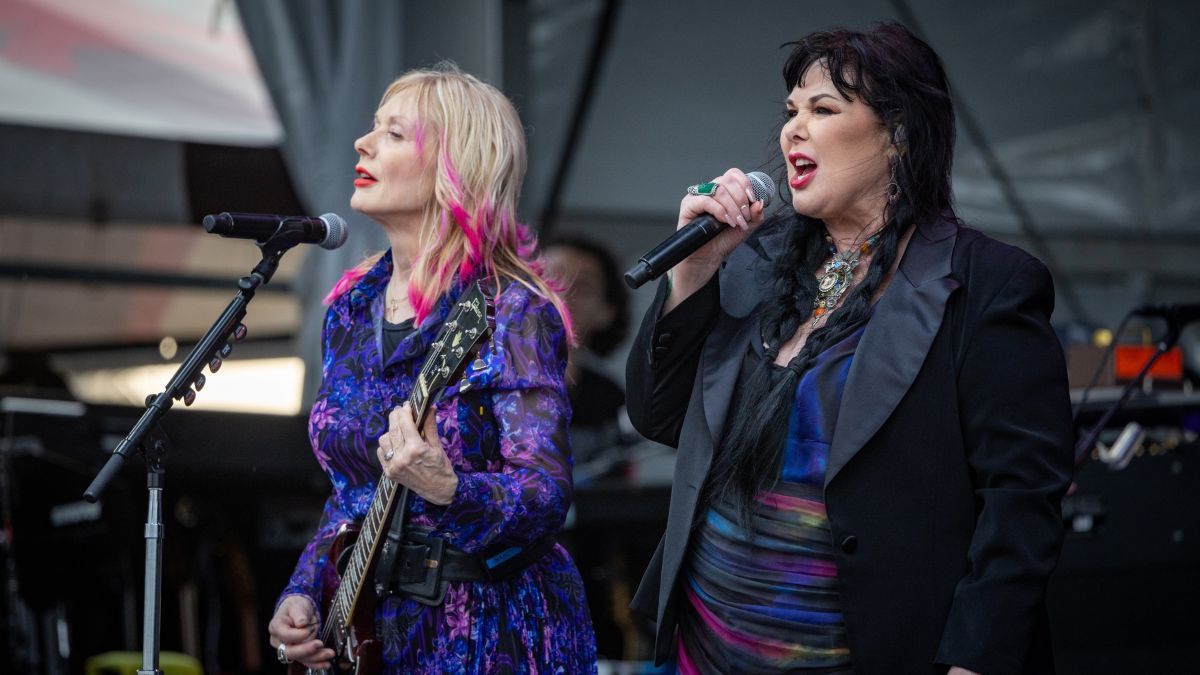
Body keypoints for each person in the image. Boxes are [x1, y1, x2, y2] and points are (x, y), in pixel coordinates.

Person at [626, 23, 1073, 675]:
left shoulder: (987, 284)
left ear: (899, 133)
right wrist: (691, 274)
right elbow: (659, 417)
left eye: (823, 109)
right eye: (790, 112)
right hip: (710, 648)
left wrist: (974, 661)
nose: (792, 130)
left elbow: (1023, 501)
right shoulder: (754, 259)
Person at [267, 64, 597, 673]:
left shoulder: (511, 311)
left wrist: (449, 488)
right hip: (376, 632)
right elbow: (351, 496)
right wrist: (305, 589)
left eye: (394, 134)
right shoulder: (350, 306)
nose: (363, 144)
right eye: (372, 129)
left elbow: (546, 495)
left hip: (492, 634)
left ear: (455, 166)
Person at [543, 237, 631, 468]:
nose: (561, 294)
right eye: (547, 278)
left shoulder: (609, 399)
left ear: (607, 312)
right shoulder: (478, 375)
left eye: (582, 287)